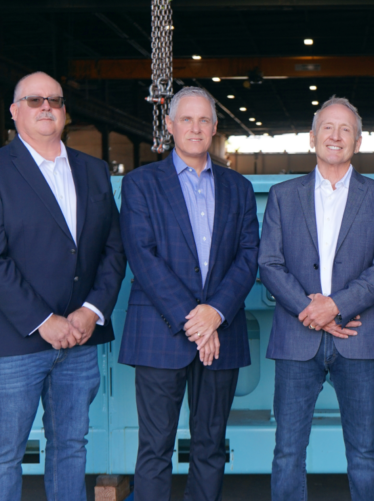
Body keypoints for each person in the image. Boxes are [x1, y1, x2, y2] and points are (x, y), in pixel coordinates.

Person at [0, 71, 126, 501]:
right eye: (35, 100)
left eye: (54, 99)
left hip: (80, 340)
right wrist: (44, 320)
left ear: (65, 112)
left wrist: (91, 311)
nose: (46, 106)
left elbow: (113, 250)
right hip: (17, 340)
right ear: (16, 113)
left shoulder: (93, 171)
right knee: (4, 452)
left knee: (70, 448)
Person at [118, 86, 259, 501]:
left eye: (204, 120)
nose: (195, 128)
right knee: (155, 448)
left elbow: (249, 256)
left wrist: (215, 312)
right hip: (160, 333)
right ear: (170, 125)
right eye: (186, 119)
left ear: (215, 128)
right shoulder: (141, 184)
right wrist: (195, 319)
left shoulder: (238, 187)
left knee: (210, 446)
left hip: (222, 330)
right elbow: (142, 256)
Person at [258, 96, 374, 501]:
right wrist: (311, 310)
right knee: (287, 452)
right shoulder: (283, 195)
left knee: (364, 452)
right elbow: (269, 262)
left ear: (358, 142)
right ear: (312, 138)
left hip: (359, 338)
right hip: (296, 338)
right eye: (327, 128)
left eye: (345, 130)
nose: (335, 136)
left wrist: (335, 305)